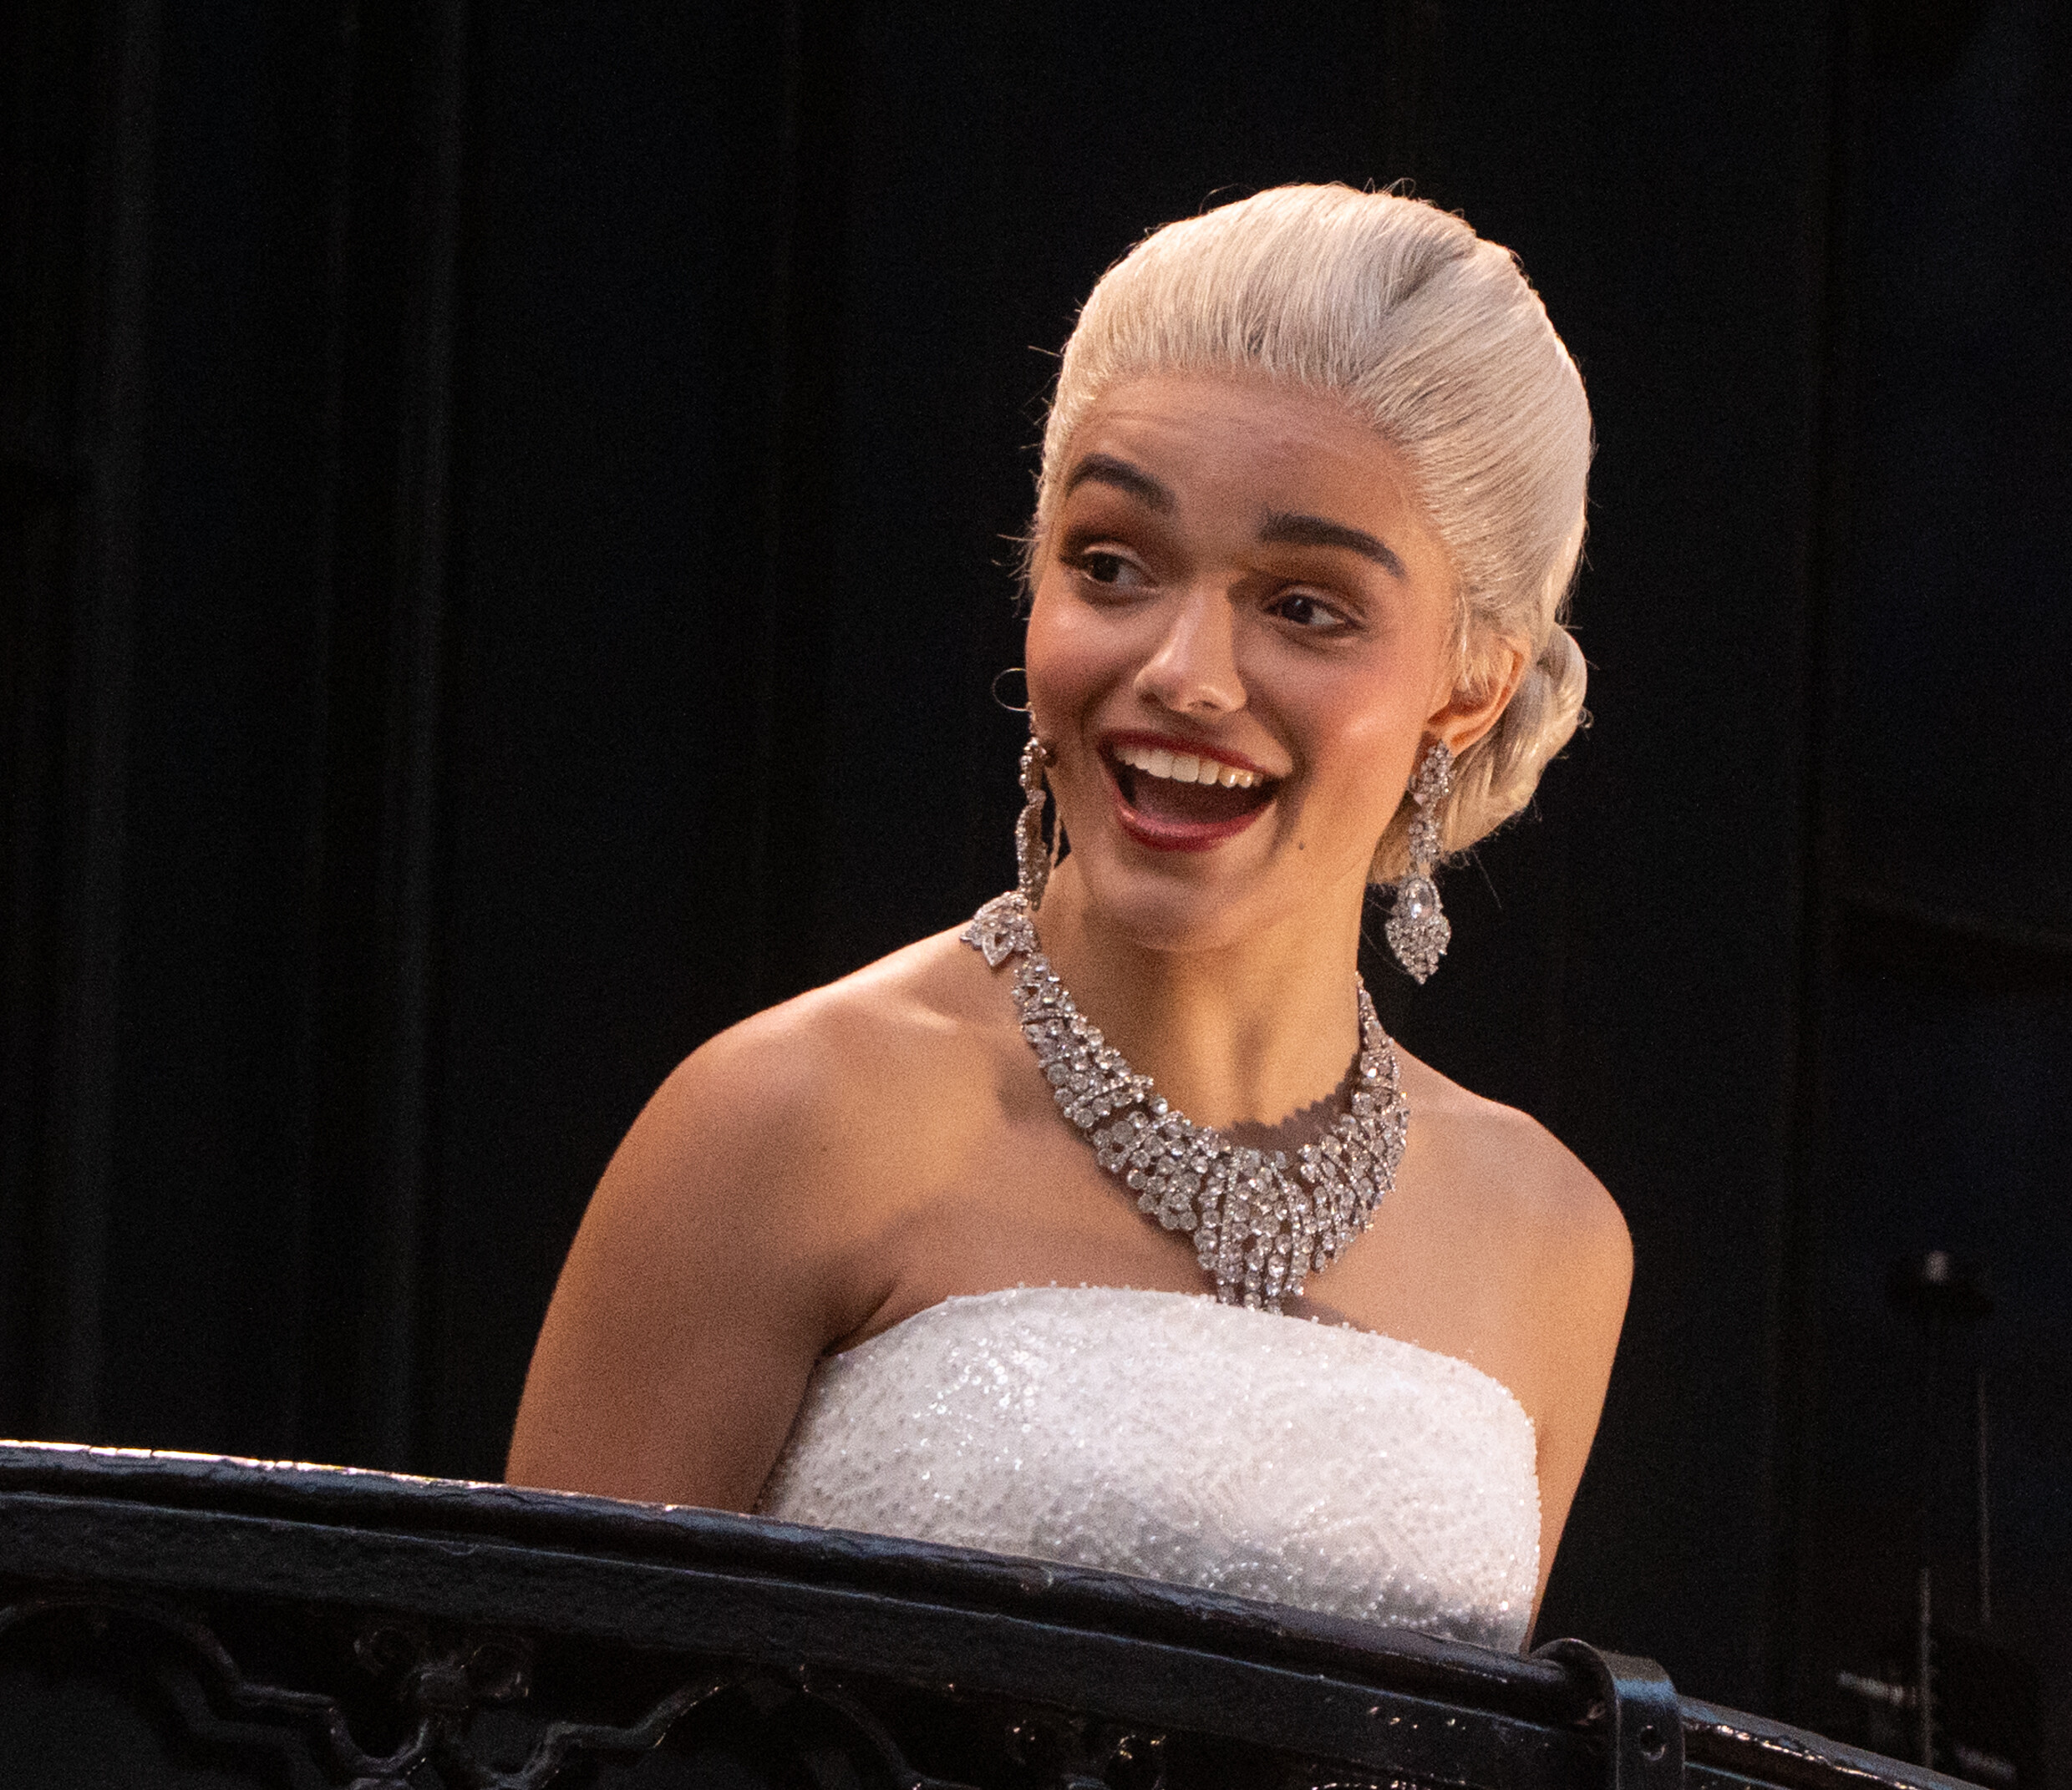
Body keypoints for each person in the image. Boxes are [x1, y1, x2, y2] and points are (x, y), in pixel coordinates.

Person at [506, 185, 1632, 1654]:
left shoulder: (1550, 1242)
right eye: (1112, 565)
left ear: (1470, 686)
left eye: (1304, 606)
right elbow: (534, 1728)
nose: (1184, 673)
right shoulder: (789, 1121)